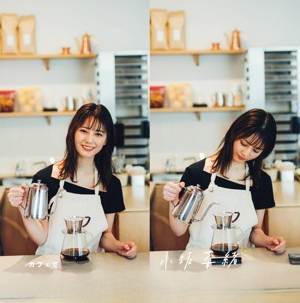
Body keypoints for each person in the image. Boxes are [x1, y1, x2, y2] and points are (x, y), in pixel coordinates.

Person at [8, 103, 137, 259]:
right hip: (51, 266)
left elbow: (104, 235)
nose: (89, 140)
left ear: (106, 140)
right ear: (73, 132)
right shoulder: (46, 178)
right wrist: (24, 208)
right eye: (83, 131)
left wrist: (118, 245)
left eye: (98, 134)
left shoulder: (111, 185)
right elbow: (42, 237)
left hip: (89, 267)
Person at [163, 108, 286, 254]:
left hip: (241, 260)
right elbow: (179, 230)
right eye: (244, 143)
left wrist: (267, 241)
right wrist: (173, 201)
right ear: (234, 133)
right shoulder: (197, 173)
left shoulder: (261, 181)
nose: (246, 153)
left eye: (256, 150)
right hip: (200, 260)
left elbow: (255, 231)